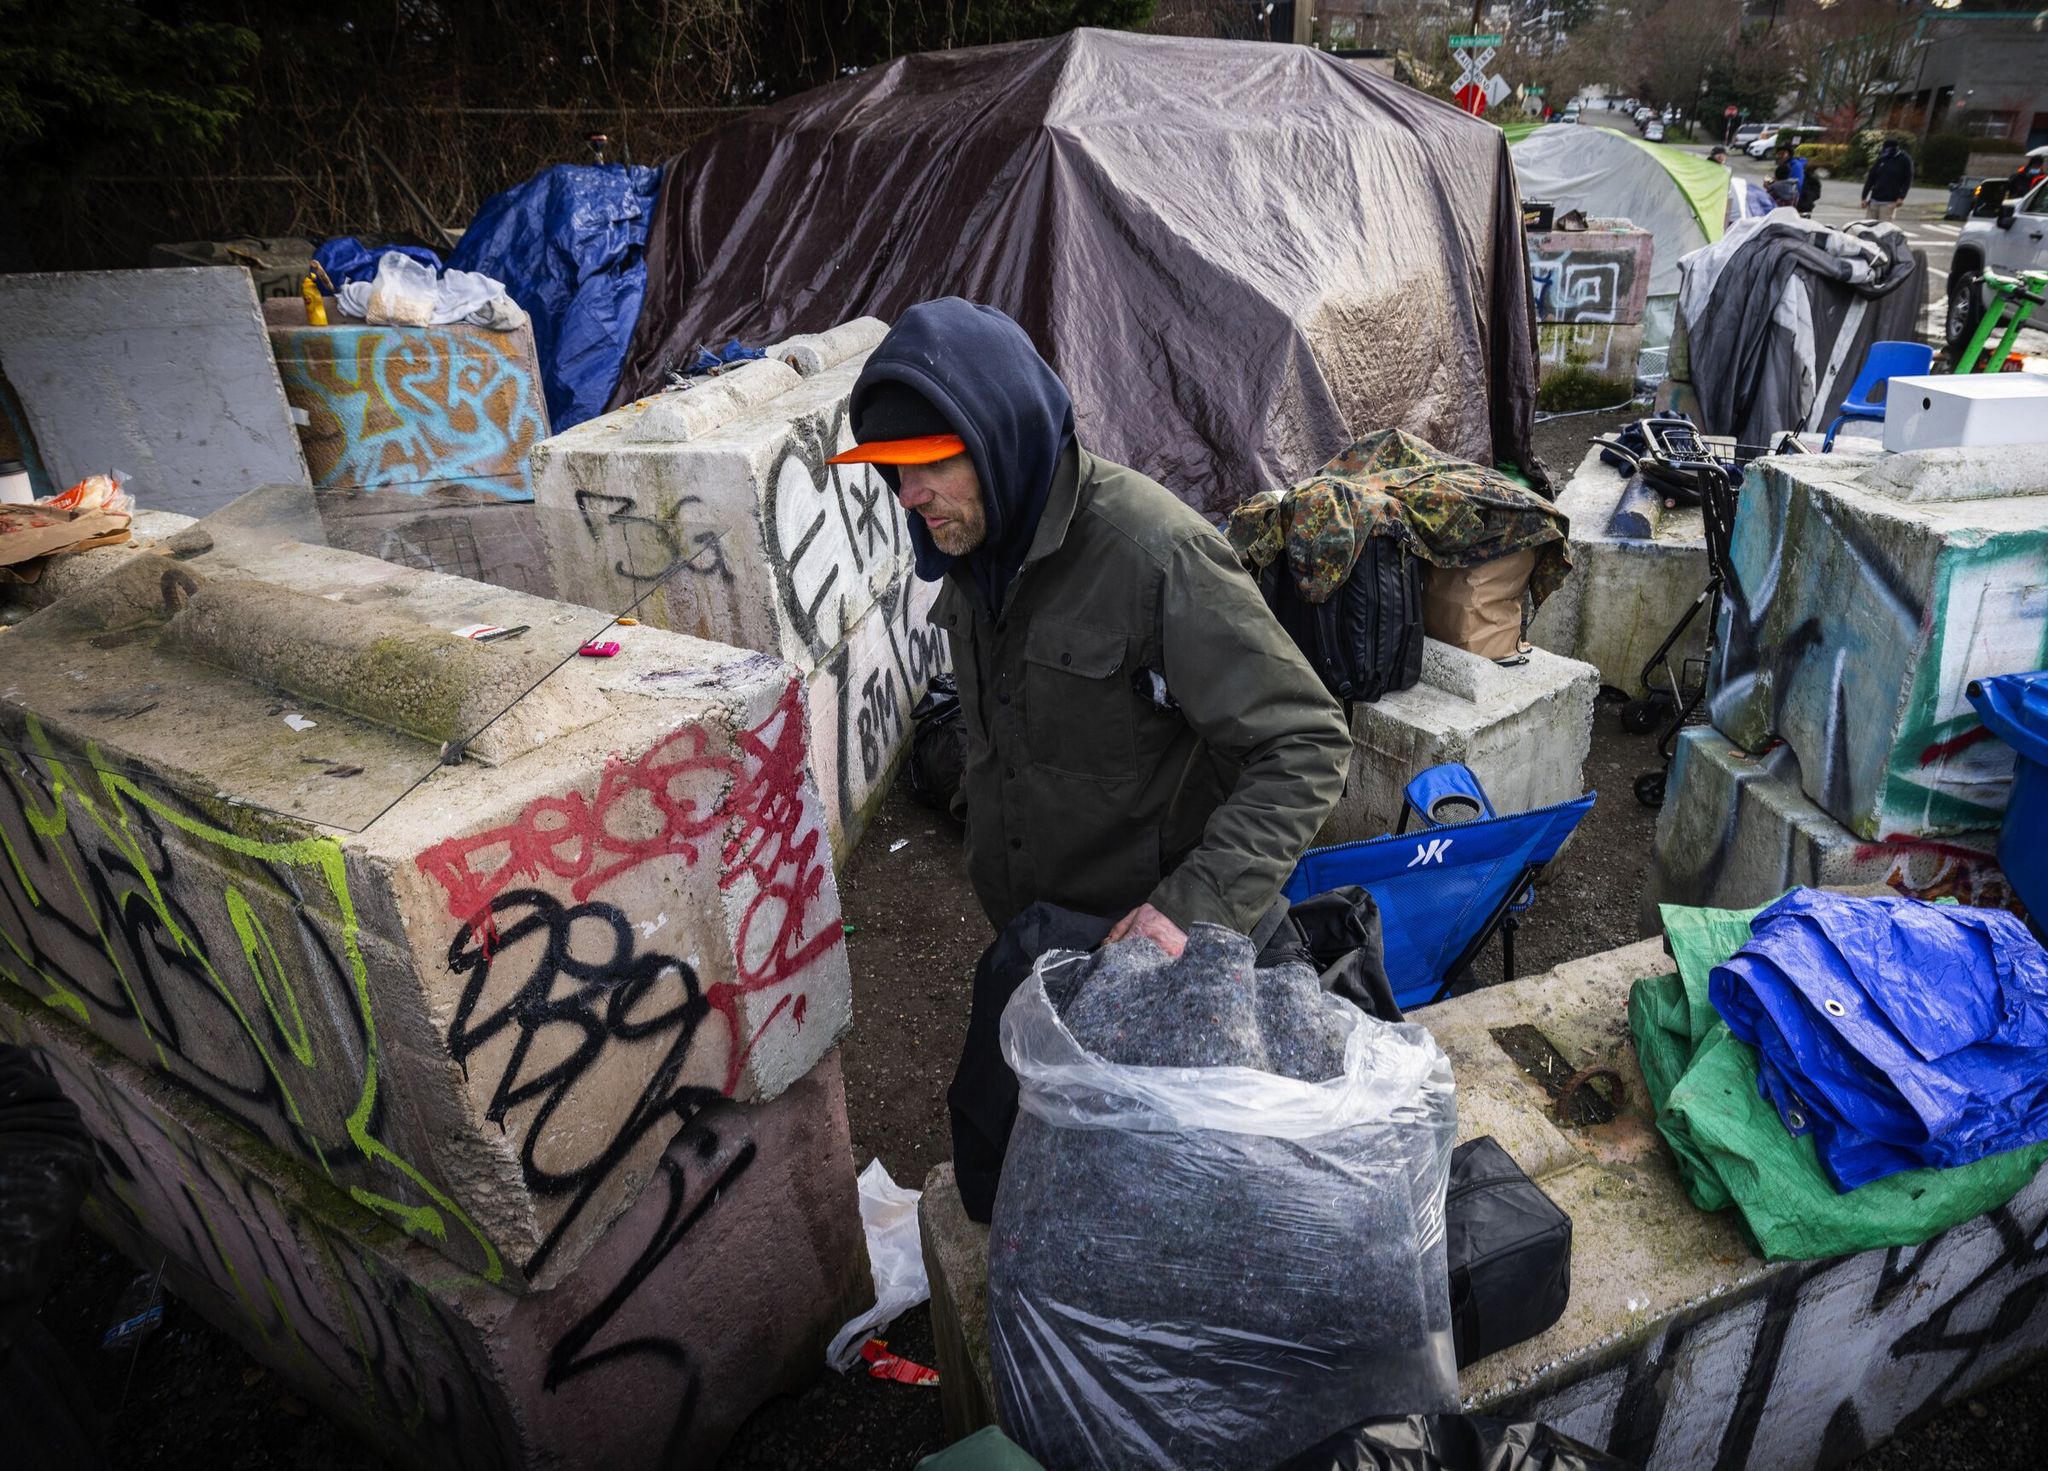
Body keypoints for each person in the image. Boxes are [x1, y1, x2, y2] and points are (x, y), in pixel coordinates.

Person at [831, 298, 1352, 959]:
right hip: (1036, 937)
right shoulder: (977, 547)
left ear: (1002, 437)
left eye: (933, 461)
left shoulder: (1157, 555)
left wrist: (1193, 908)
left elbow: (1306, 741)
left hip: (1149, 951)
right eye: (894, 467)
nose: (909, 493)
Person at [1862, 139, 1913, 221]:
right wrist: (1864, 197)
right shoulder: (1882, 158)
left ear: (1895, 148)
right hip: (1875, 199)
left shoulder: (1904, 160)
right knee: (1868, 225)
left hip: (1890, 201)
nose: (1885, 151)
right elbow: (1871, 178)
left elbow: (1907, 179)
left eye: (1888, 149)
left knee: (1884, 227)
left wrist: (1901, 197)